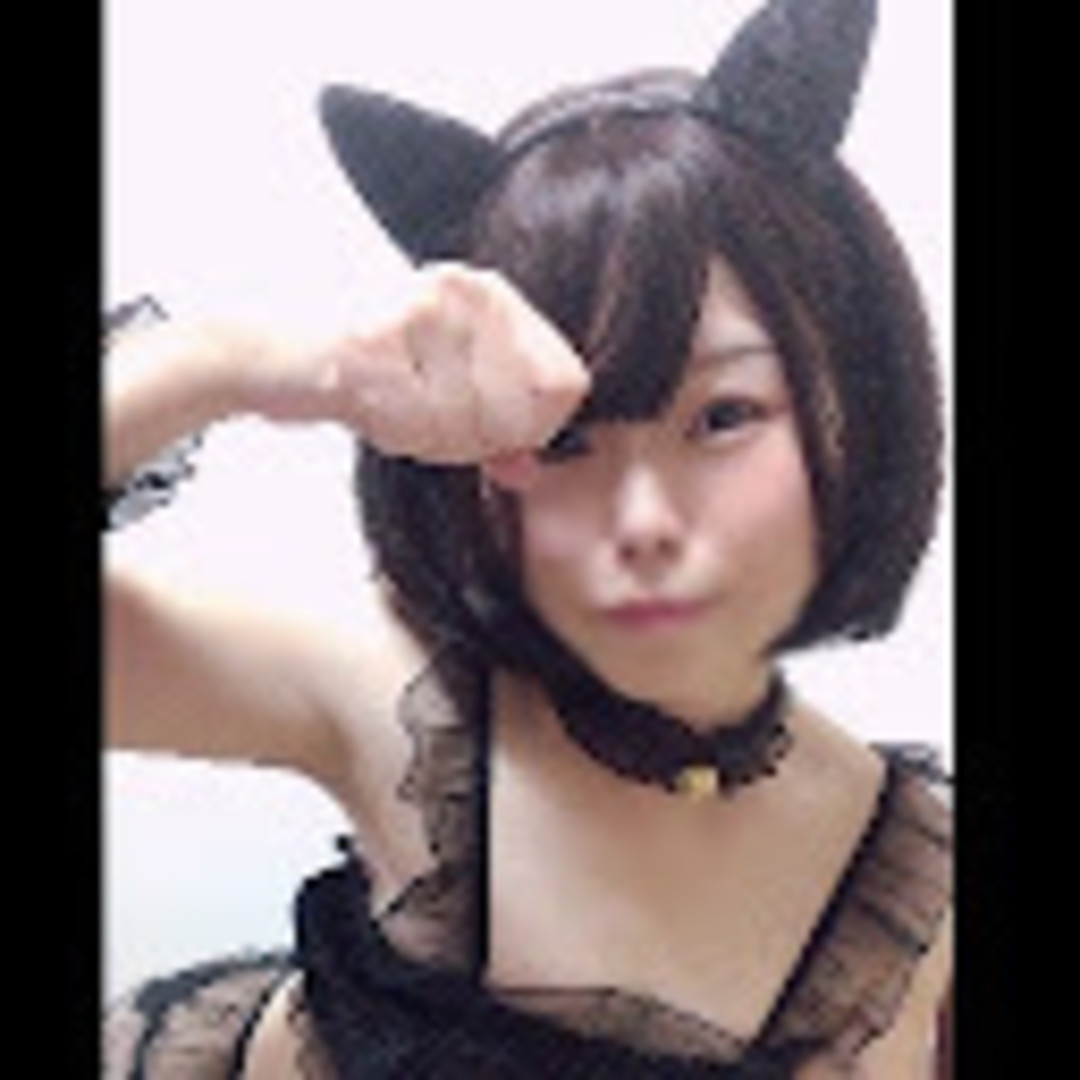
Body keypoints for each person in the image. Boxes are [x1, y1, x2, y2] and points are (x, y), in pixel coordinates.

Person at [103, 0, 952, 1076]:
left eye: (724, 418)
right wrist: (238, 365)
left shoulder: (912, 887)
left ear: (855, 412)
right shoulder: (406, 702)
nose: (643, 522)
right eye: (562, 441)